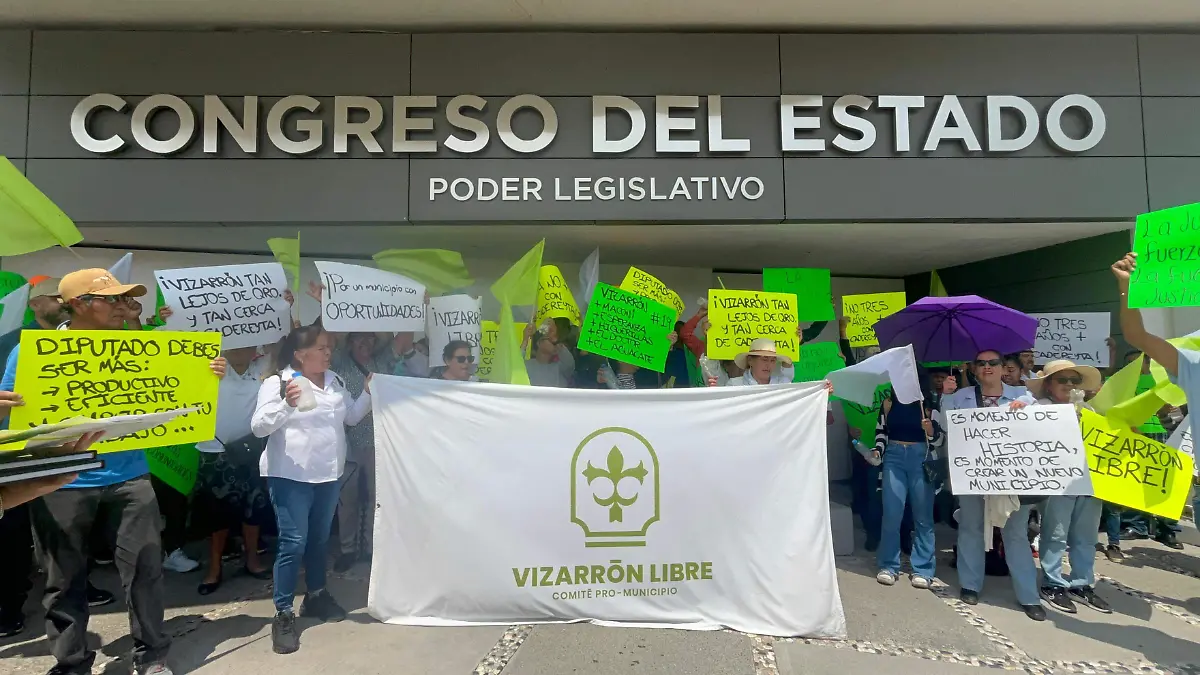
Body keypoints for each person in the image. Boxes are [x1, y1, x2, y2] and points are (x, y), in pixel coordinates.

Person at [2, 268, 227, 675]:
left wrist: (205, 375)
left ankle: (153, 654)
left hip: (131, 475)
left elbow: (181, 385)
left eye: (126, 299)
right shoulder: (34, 351)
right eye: (114, 299)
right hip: (61, 480)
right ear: (79, 305)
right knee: (63, 578)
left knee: (145, 568)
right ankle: (72, 663)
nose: (124, 306)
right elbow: (13, 421)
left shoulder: (141, 347)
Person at [251, 324, 372, 655]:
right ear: (300, 355)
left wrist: (371, 392)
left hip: (328, 475)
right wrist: (285, 405)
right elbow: (259, 426)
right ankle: (283, 612)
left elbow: (350, 418)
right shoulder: (279, 383)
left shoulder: (335, 381)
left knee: (319, 541)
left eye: (329, 348)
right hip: (290, 477)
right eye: (320, 348)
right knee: (293, 542)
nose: (327, 353)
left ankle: (316, 595)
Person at [941, 349, 1043, 621]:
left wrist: (1027, 413)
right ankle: (970, 585)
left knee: (1015, 534)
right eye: (981, 363)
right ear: (973, 369)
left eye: (993, 363)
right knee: (971, 529)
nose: (987, 367)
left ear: (1003, 367)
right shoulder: (960, 397)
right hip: (973, 474)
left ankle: (1029, 597)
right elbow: (946, 427)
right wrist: (947, 397)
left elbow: (1039, 430)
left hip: (1011, 478)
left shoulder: (1024, 398)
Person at [1025, 360, 1112, 614]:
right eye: (1062, 380)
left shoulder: (1091, 412)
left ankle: (1081, 583)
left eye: (1074, 381)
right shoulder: (1040, 408)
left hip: (1089, 482)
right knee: (1055, 534)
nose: (1069, 385)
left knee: (1086, 537)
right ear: (1049, 385)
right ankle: (1053, 583)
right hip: (1058, 482)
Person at [190, 344, 274, 595]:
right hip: (214, 451)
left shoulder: (262, 369)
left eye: (248, 345)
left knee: (253, 508)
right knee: (217, 515)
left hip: (249, 453)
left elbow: (280, 339)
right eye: (236, 344)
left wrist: (285, 307)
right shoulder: (209, 366)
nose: (241, 349)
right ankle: (214, 569)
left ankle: (252, 560)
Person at [868, 382, 944, 590]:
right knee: (892, 513)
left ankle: (923, 569)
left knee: (923, 515)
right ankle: (888, 565)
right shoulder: (888, 403)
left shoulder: (930, 403)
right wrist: (877, 450)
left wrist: (930, 431)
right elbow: (881, 432)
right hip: (893, 456)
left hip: (922, 457)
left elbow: (941, 440)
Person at [330, 332, 388, 573]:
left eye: (370, 339)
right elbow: (325, 339)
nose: (365, 344)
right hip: (349, 443)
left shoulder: (383, 365)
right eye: (359, 339)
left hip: (380, 442)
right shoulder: (339, 364)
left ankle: (373, 549)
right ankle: (348, 549)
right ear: (350, 342)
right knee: (349, 500)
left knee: (377, 499)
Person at [0, 276, 66, 363]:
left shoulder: (81, 337)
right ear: (34, 305)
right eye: (59, 299)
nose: (67, 304)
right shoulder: (11, 343)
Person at [523, 322, 575, 387]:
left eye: (554, 340)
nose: (553, 342)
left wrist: (557, 341)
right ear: (539, 343)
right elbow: (515, 367)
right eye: (549, 339)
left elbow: (570, 363)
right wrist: (525, 339)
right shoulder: (527, 366)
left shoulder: (560, 368)